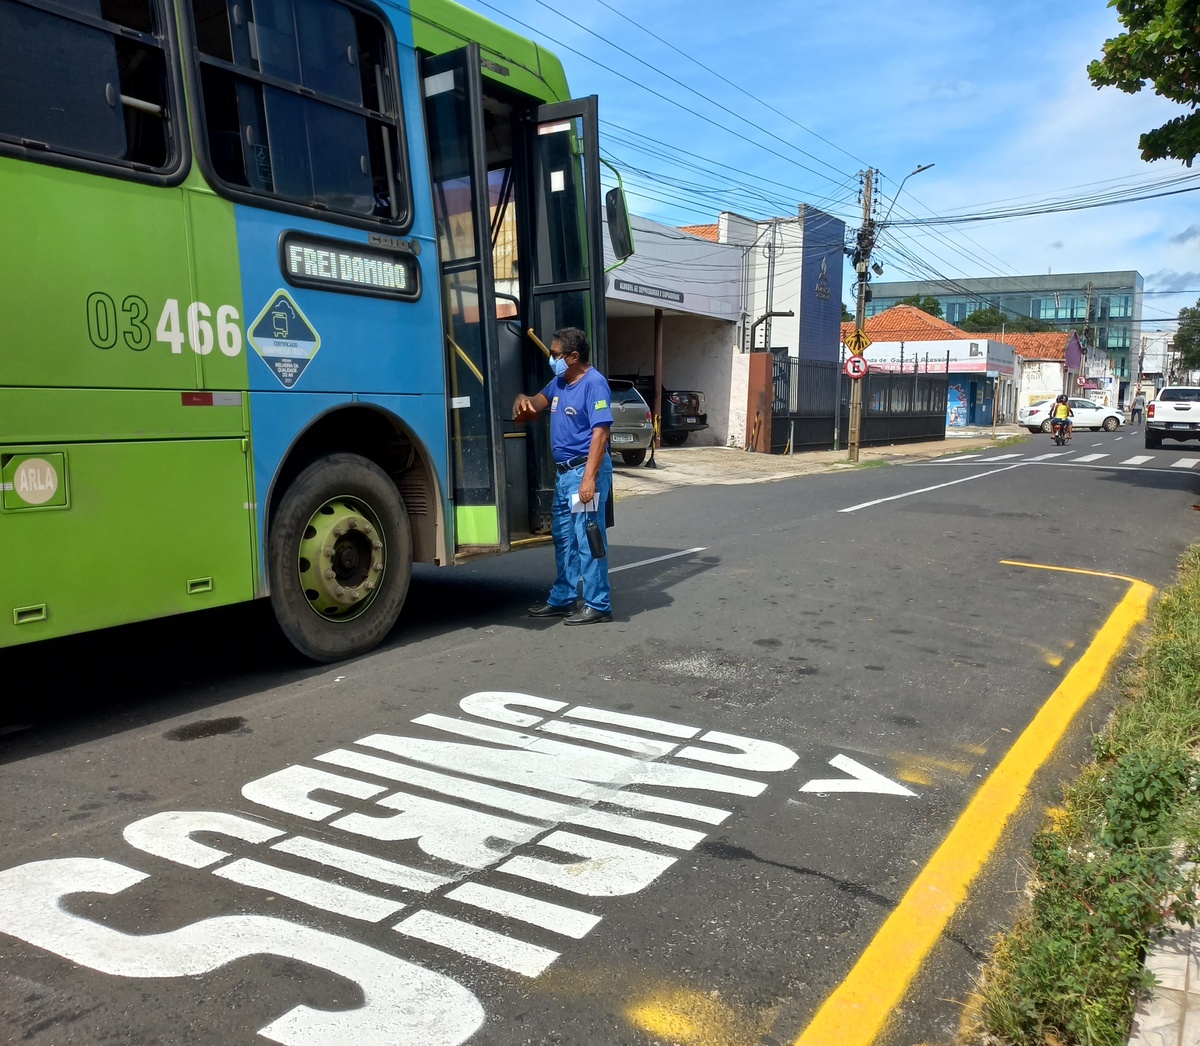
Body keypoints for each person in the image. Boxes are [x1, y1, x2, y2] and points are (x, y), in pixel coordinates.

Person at [513, 327, 614, 625]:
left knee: (588, 537)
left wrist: (589, 479)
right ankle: (564, 598)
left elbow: (601, 433)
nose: (551, 358)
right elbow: (537, 403)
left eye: (555, 354)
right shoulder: (559, 382)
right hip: (565, 474)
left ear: (573, 357)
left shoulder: (595, 384)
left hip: (585, 469)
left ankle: (599, 603)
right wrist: (523, 400)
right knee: (565, 537)